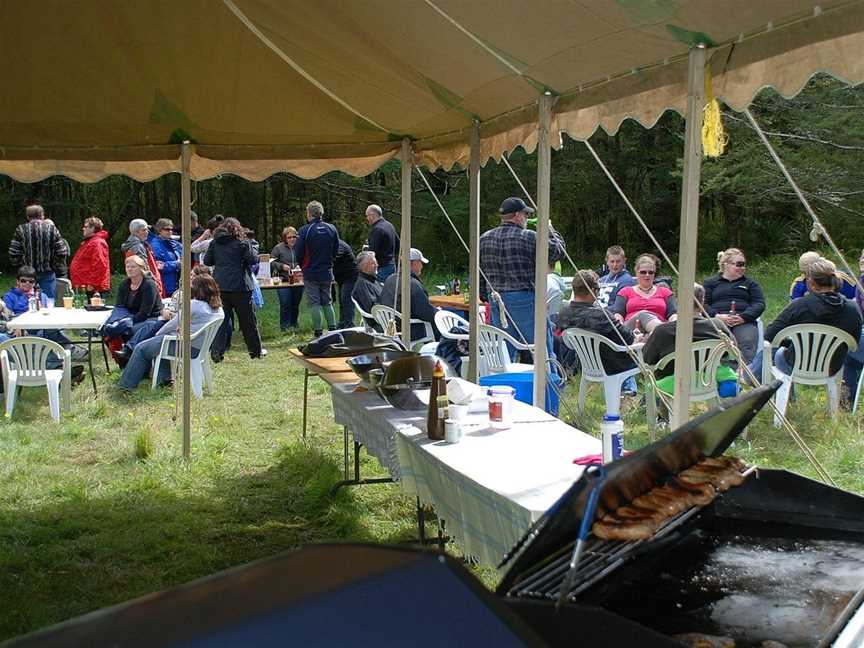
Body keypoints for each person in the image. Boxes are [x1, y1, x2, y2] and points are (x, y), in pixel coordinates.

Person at [748, 257, 862, 382]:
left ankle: (761, 382)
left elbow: (769, 335)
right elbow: (853, 343)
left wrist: (789, 341)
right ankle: (845, 400)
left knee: (777, 351)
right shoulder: (852, 308)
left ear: (810, 282)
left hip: (795, 364)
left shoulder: (799, 305)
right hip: (832, 367)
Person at [479, 197, 565, 360]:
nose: (526, 218)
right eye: (526, 214)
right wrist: (549, 229)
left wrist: (484, 294)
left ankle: (507, 383)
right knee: (542, 349)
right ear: (517, 215)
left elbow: (480, 271)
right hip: (525, 299)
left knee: (504, 352)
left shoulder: (484, 238)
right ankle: (548, 382)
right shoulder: (528, 236)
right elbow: (558, 251)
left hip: (497, 299)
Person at [117, 274, 224, 391]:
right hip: (200, 348)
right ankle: (164, 380)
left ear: (199, 289)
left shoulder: (193, 305)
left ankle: (126, 386)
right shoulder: (218, 308)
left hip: (185, 347)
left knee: (141, 348)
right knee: (162, 341)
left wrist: (157, 334)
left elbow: (172, 324)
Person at [204, 217, 264, 360]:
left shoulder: (214, 243)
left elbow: (207, 261)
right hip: (241, 286)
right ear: (237, 229)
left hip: (220, 286)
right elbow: (253, 260)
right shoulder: (242, 243)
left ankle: (217, 352)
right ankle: (255, 351)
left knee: (220, 320)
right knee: (248, 321)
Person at [557, 269, 636, 377]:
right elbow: (628, 339)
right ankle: (629, 387)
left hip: (581, 364)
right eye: (598, 289)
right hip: (612, 366)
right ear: (593, 290)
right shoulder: (601, 315)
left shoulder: (563, 313)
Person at [643, 283, 731, 378]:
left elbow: (647, 359)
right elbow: (732, 351)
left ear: (678, 302)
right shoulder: (718, 326)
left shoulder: (662, 331)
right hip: (709, 383)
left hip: (671, 387)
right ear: (702, 302)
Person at [2, 266, 89, 362]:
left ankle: (69, 351)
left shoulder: (41, 296)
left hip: (39, 326)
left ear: (35, 283)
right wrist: (16, 325)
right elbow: (8, 315)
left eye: (31, 281)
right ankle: (58, 362)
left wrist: (42, 308)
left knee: (50, 329)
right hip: (23, 329)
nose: (27, 283)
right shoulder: (10, 296)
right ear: (17, 281)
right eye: (23, 281)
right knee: (45, 334)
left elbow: (49, 313)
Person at [702, 248, 765, 363]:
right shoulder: (710, 283)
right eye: (739, 265)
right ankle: (715, 370)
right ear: (726, 265)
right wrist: (717, 316)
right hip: (717, 320)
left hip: (743, 321)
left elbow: (759, 304)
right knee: (711, 340)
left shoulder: (751, 284)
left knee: (747, 341)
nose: (742, 268)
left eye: (744, 265)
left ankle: (743, 375)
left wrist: (743, 317)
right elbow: (702, 304)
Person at [294, 200, 339, 338]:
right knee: (327, 300)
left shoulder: (304, 230)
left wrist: (302, 266)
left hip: (311, 271)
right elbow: (336, 250)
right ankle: (332, 330)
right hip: (327, 270)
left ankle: (318, 332)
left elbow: (298, 252)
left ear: (309, 214)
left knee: (314, 302)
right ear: (321, 213)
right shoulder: (332, 228)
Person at [104, 255, 163, 357]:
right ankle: (121, 360)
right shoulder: (124, 284)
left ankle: (128, 355)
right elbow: (119, 306)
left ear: (141, 268)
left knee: (129, 330)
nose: (130, 269)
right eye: (128, 267)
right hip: (129, 316)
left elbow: (145, 312)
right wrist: (118, 320)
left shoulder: (149, 285)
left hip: (150, 318)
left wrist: (128, 322)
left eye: (133, 267)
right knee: (108, 329)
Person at [8, 204, 68, 299]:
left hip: (26, 275)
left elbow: (13, 252)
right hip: (47, 272)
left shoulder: (21, 230)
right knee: (49, 301)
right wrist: (54, 265)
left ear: (28, 217)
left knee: (26, 302)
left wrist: (21, 267)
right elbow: (62, 251)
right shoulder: (51, 229)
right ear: (42, 216)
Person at [379, 248, 440, 342]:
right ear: (414, 263)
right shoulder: (413, 284)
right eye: (420, 262)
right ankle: (441, 353)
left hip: (389, 327)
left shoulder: (390, 279)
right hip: (407, 330)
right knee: (441, 324)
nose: (422, 266)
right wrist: (438, 312)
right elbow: (426, 314)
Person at [612, 254, 677, 334]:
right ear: (637, 273)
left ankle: (655, 334)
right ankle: (663, 332)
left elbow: (673, 314)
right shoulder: (625, 291)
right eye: (643, 272)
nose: (647, 275)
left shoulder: (665, 292)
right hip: (630, 329)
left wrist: (674, 322)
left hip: (654, 332)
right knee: (642, 315)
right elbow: (618, 314)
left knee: (650, 336)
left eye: (651, 272)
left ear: (654, 274)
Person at [270, 226, 304, 331]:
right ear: (285, 238)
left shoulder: (300, 248)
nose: (292, 239)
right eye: (289, 237)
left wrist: (301, 266)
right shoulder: (278, 248)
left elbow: (306, 260)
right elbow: (271, 262)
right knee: (285, 304)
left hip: (298, 280)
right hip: (282, 280)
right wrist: (282, 266)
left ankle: (294, 325)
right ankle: (285, 327)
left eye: (294, 237)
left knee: (295, 304)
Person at [790, 250, 856, 300]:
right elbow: (794, 310)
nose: (808, 276)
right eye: (805, 272)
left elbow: (855, 300)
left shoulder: (841, 278)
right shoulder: (799, 285)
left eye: (812, 271)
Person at [121, 219, 164, 296]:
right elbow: (143, 268)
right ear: (135, 232)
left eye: (147, 230)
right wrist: (153, 284)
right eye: (143, 230)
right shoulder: (137, 246)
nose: (147, 232)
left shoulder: (136, 244)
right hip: (145, 286)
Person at [69, 216, 111, 295]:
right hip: (84, 286)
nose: (83, 229)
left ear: (93, 228)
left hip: (92, 289)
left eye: (86, 227)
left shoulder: (97, 242)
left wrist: (92, 284)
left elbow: (100, 264)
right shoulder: (89, 242)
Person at [364, 204, 399, 282]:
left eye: (367, 215)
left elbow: (372, 252)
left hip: (381, 268)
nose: (367, 218)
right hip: (392, 265)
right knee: (390, 290)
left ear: (372, 215)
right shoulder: (390, 225)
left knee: (378, 292)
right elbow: (398, 245)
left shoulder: (377, 229)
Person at [149, 218, 183, 296]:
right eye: (167, 229)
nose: (170, 231)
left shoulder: (174, 243)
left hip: (177, 283)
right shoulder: (155, 245)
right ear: (160, 230)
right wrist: (177, 264)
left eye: (171, 229)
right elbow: (158, 266)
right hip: (166, 285)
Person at [352, 251, 382, 329]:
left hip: (386, 318)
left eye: (376, 263)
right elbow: (372, 309)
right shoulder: (362, 285)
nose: (377, 265)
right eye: (373, 263)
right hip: (379, 324)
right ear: (364, 267)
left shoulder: (373, 281)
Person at [333, 239, 358, 329]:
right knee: (342, 300)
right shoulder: (333, 244)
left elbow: (333, 257)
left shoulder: (339, 245)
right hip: (341, 278)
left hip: (350, 277)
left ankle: (349, 325)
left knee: (347, 300)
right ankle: (342, 324)